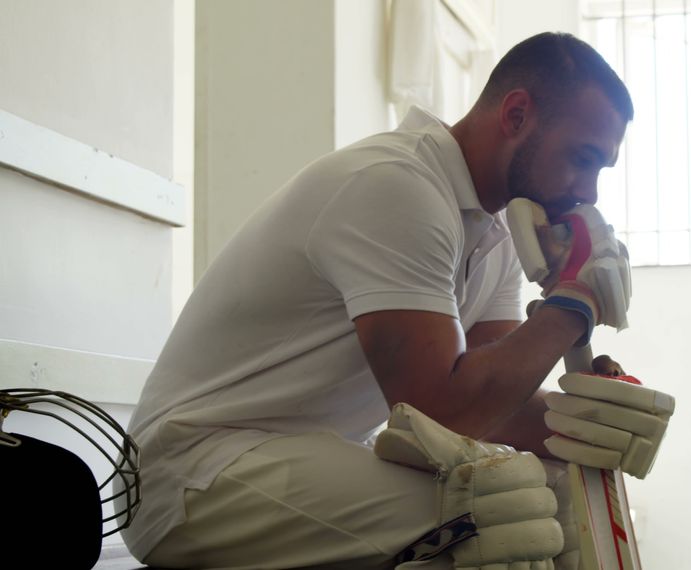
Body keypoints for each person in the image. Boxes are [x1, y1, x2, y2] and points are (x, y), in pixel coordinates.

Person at [118, 32, 639, 569]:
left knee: (559, 493)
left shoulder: (497, 233)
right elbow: (446, 410)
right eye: (583, 157)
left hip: (298, 459)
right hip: (191, 472)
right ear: (516, 114)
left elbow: (493, 405)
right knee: (501, 510)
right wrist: (573, 305)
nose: (590, 192)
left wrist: (600, 424)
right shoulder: (397, 186)